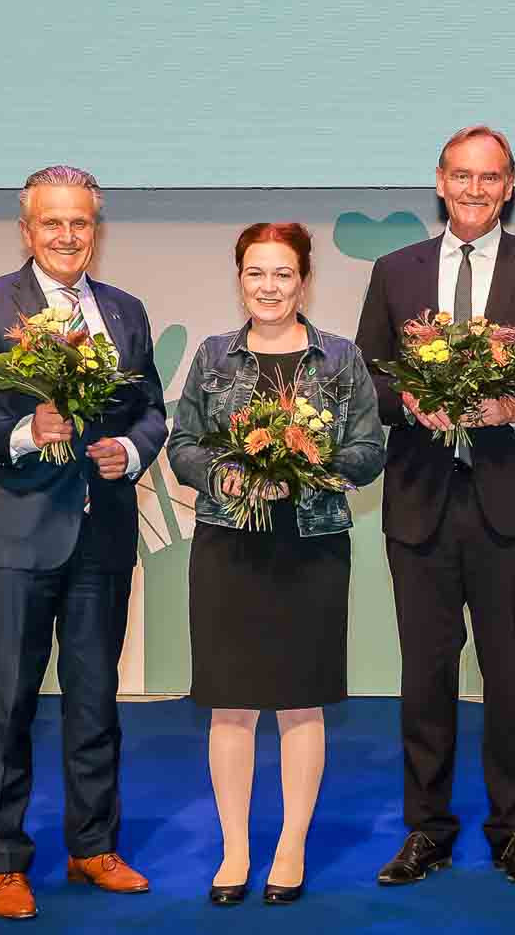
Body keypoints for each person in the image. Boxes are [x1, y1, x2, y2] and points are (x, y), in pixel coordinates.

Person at [354, 125, 515, 887]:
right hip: (421, 506)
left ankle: (512, 829)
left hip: (511, 507)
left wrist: (511, 407)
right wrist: (413, 403)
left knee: (510, 679)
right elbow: (367, 384)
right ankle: (426, 829)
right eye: (461, 175)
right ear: (438, 181)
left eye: (489, 177)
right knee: (425, 679)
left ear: (509, 185)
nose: (474, 189)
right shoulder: (395, 271)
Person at [0, 165, 169, 920]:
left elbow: (151, 412)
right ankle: (3, 861)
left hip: (101, 534)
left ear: (96, 231)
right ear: (27, 229)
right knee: (7, 702)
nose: (67, 236)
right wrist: (20, 431)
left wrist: (128, 454)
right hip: (13, 535)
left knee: (96, 700)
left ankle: (92, 845)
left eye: (81, 224)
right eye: (52, 223)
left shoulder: (127, 312)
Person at [166, 222, 386, 905]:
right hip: (229, 546)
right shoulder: (210, 357)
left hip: (311, 546)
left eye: (283, 274)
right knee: (230, 705)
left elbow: (369, 449)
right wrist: (222, 475)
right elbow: (182, 446)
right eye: (256, 273)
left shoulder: (340, 357)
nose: (269, 287)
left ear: (305, 280)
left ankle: (290, 845)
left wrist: (313, 466)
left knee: (300, 700)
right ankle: (235, 849)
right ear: (240, 279)